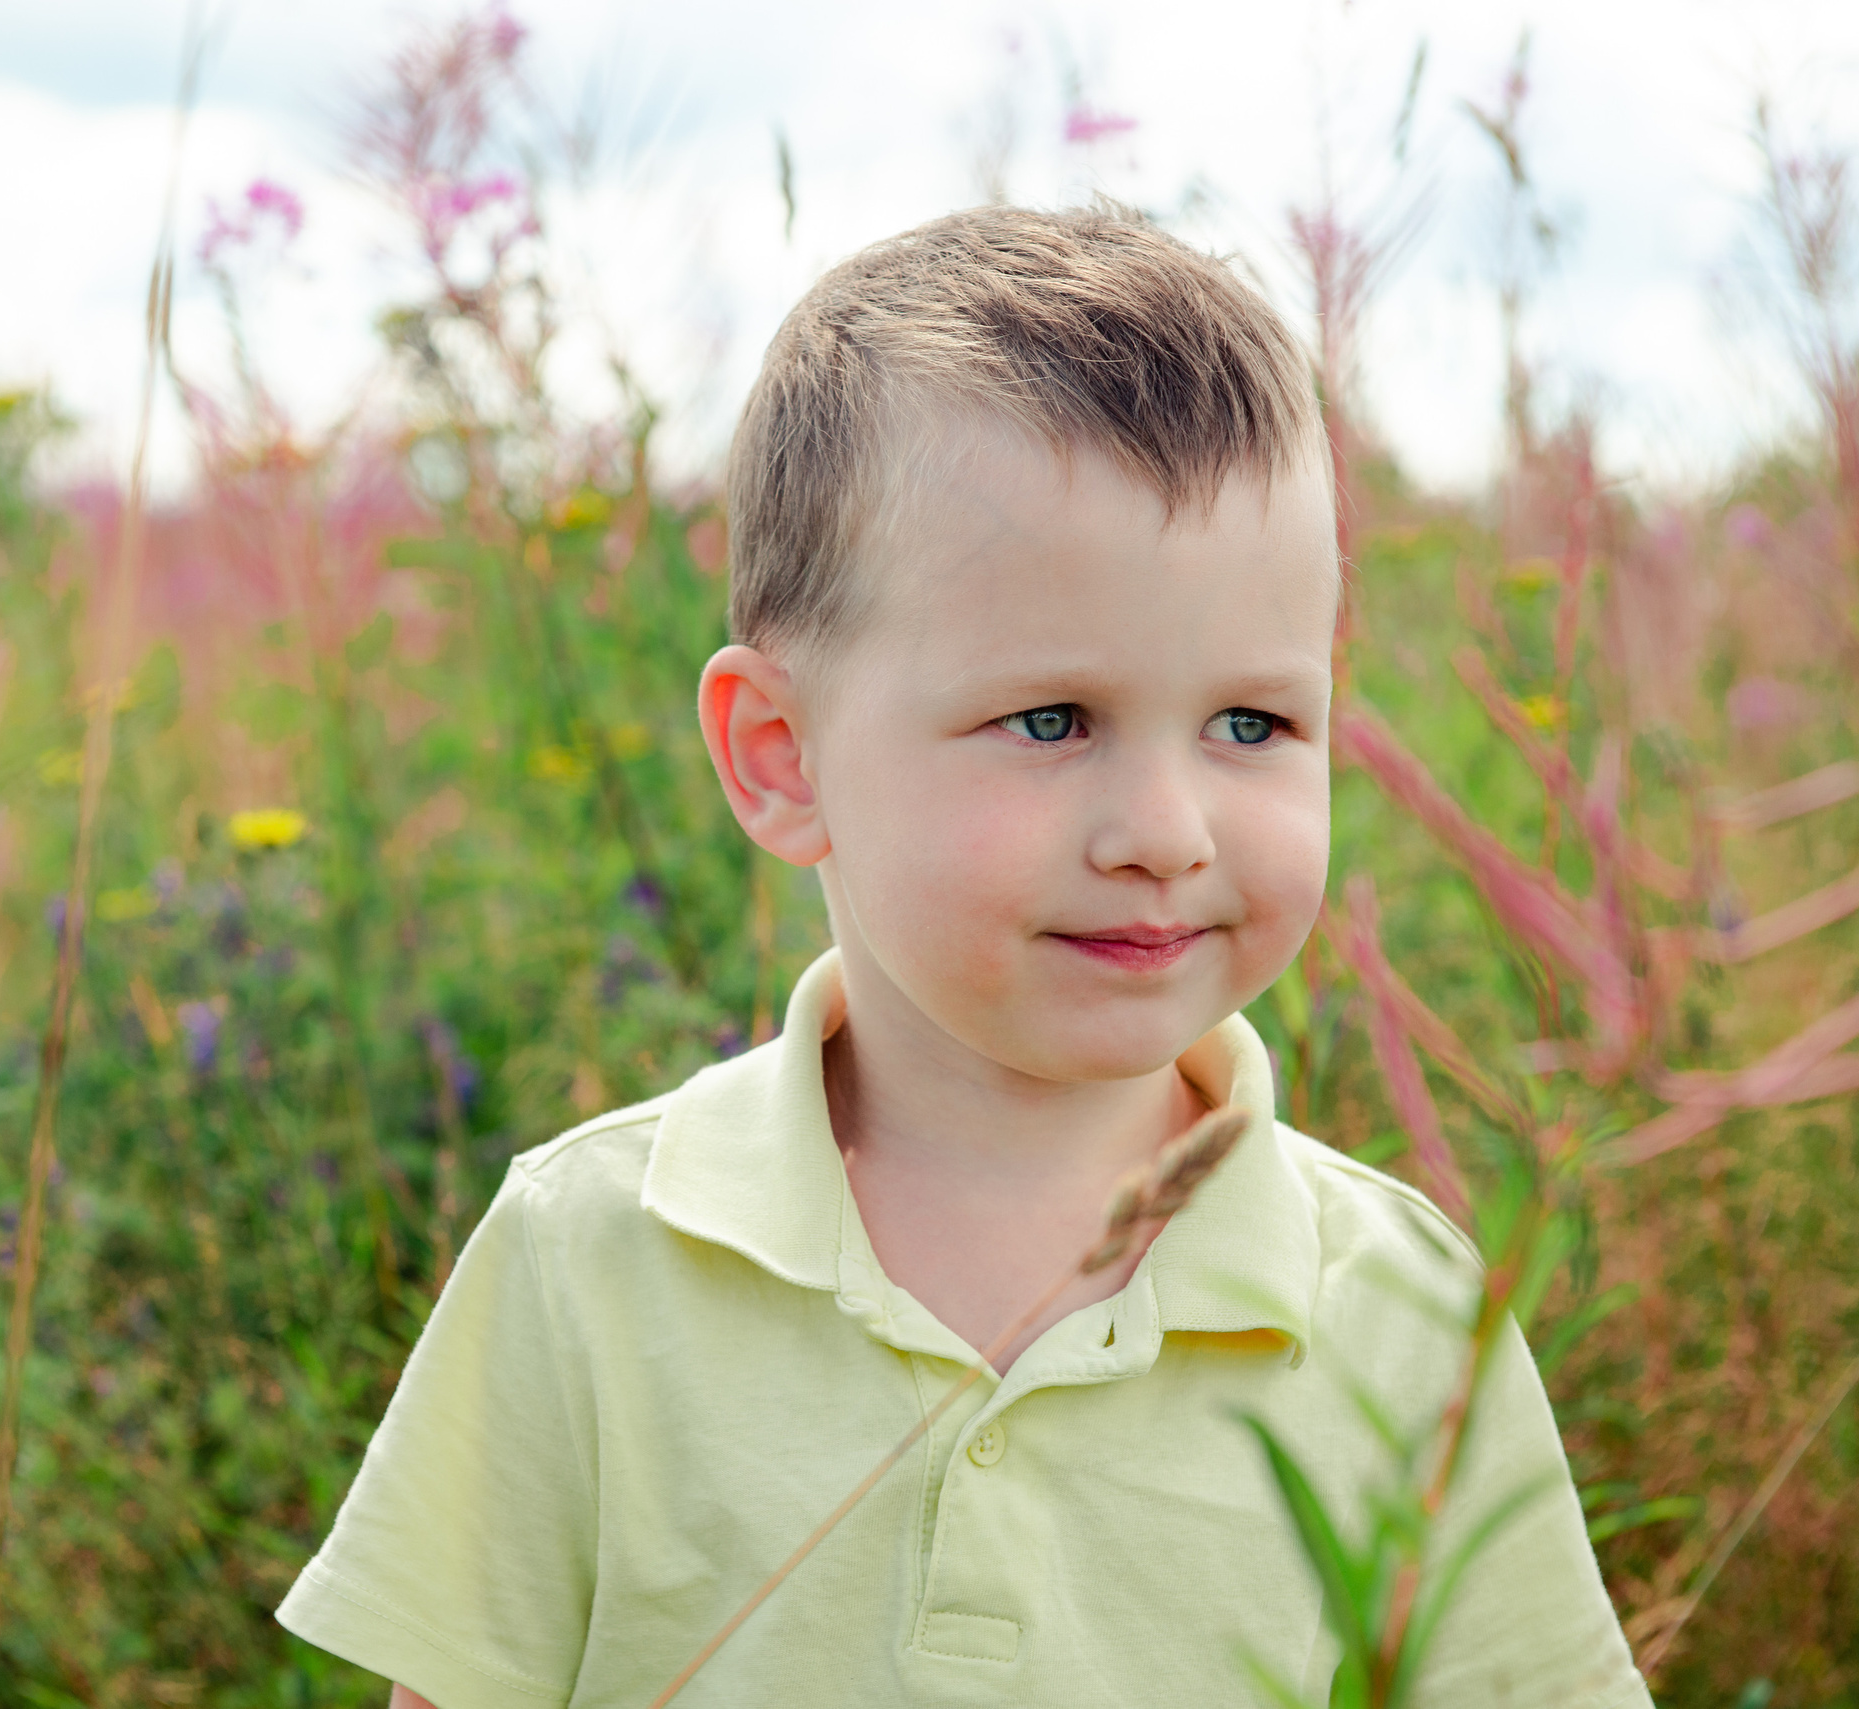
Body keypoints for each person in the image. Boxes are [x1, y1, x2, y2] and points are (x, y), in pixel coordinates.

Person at [277, 203, 1652, 1708]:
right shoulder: (593, 1253)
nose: (1165, 831)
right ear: (781, 754)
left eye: (1251, 723)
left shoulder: (1400, 1317)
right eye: (1052, 721)